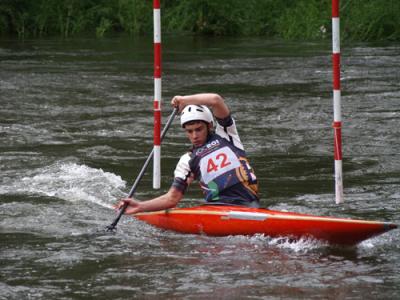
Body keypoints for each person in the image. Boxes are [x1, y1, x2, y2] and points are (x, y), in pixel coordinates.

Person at [116, 93, 259, 215]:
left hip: (249, 205)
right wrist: (140, 206)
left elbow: (215, 100)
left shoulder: (227, 134)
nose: (194, 135)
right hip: (217, 210)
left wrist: (185, 100)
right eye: (189, 131)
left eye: (198, 129)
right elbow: (172, 198)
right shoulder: (187, 160)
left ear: (209, 126)